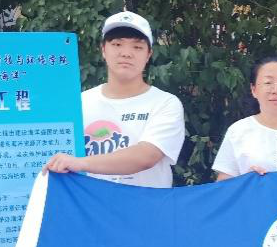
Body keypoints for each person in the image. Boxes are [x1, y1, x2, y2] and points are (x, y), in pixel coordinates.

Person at [46, 10, 186, 187]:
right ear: (103, 50)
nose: (126, 53)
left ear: (149, 55)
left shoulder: (165, 103)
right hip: (89, 204)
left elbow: (146, 156)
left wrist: (79, 163)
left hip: (145, 204)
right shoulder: (79, 103)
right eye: (117, 44)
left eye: (137, 47)